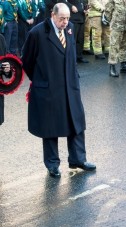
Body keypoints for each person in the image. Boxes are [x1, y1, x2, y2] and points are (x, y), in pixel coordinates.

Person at [21, 3, 96, 178]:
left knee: (76, 122)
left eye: (68, 18)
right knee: (50, 127)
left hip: (70, 85)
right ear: (53, 16)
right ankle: (52, 164)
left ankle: (78, 159)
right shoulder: (38, 33)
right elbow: (27, 61)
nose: (66, 22)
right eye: (62, 18)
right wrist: (41, 79)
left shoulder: (69, 28)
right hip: (49, 88)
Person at [104, 0, 126, 77]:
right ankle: (112, 67)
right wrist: (112, 21)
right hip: (116, 26)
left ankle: (123, 65)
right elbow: (108, 11)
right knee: (114, 46)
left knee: (124, 46)